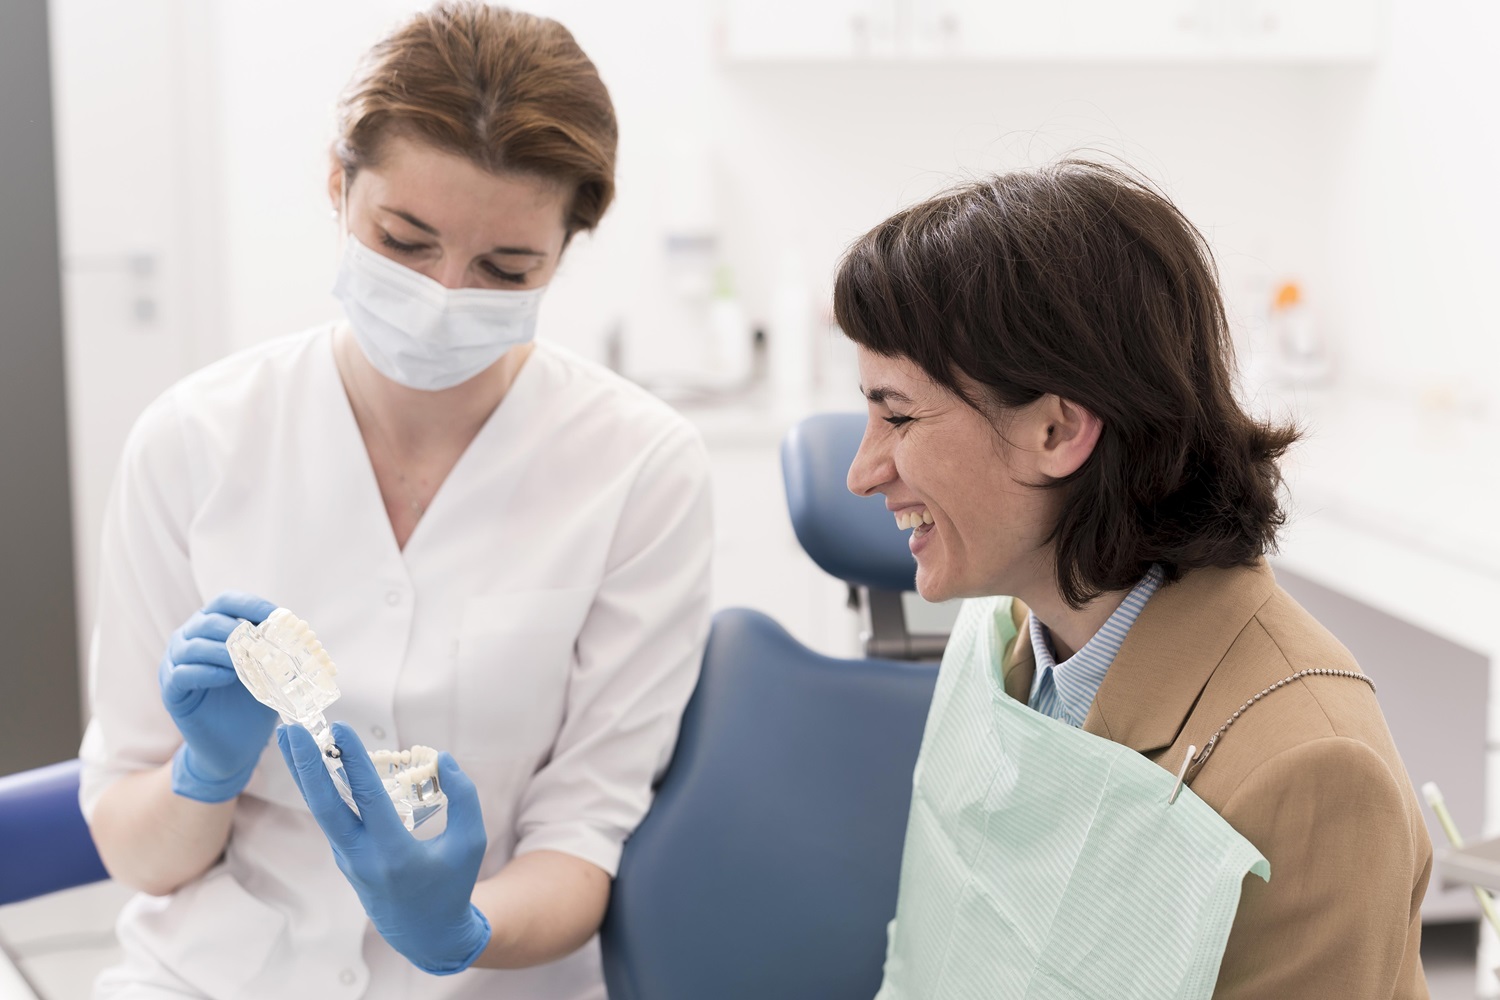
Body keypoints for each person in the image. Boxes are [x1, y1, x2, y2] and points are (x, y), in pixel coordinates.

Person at [78, 4, 712, 998]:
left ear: (567, 250)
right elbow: (137, 852)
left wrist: (459, 924)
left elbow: (581, 839)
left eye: (506, 268)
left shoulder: (639, 469)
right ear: (339, 186)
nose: (445, 293)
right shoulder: (194, 439)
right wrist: (203, 772)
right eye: (406, 241)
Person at [836, 161, 1430, 997]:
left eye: (897, 416)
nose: (863, 472)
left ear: (1057, 428)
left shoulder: (1311, 769)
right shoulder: (1006, 638)